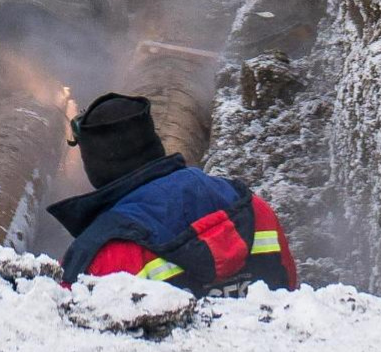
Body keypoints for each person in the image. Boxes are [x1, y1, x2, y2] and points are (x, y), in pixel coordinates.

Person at [46, 92, 298, 293]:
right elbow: (291, 292)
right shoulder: (253, 208)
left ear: (95, 165)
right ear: (154, 143)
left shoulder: (100, 253)